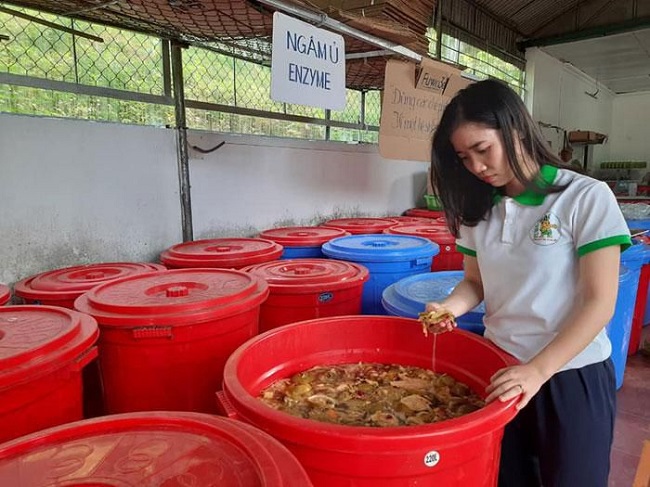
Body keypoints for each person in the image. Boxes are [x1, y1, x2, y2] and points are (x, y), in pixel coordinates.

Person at [425, 79, 631, 487]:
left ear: (515, 128)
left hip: (571, 374)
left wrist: (538, 371)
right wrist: (450, 306)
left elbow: (599, 302)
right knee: (508, 478)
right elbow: (475, 284)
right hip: (500, 371)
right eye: (464, 158)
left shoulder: (584, 197)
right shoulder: (478, 210)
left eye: (483, 150)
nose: (476, 167)